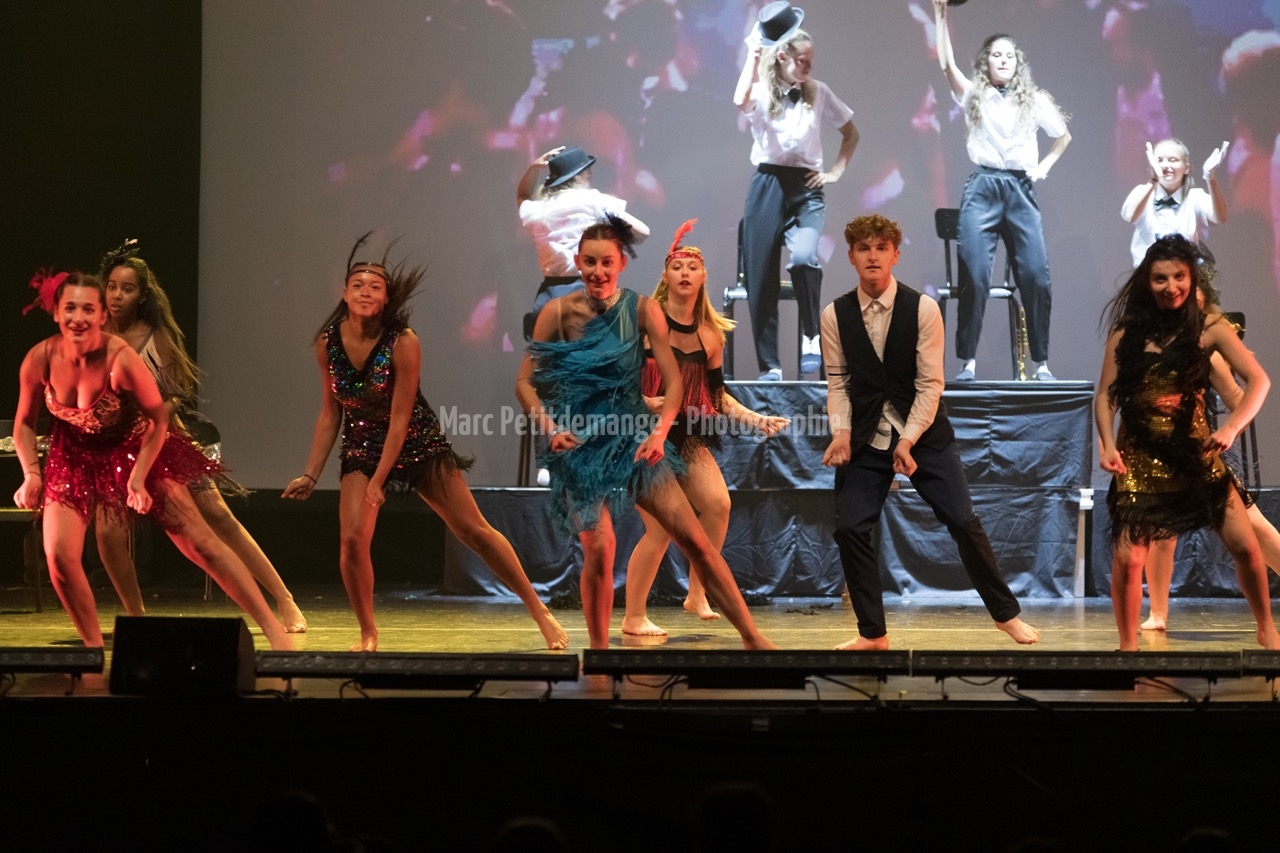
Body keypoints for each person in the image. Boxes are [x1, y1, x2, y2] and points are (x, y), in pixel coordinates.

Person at [282, 235, 566, 653]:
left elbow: (400, 419)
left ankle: (538, 610)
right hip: (361, 445)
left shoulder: (403, 341)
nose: (365, 292)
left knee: (474, 532)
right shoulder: (328, 343)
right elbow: (330, 414)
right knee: (352, 540)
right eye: (357, 285)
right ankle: (368, 632)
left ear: (387, 298)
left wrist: (380, 480)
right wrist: (311, 473)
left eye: (374, 287)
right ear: (344, 294)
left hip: (417, 442)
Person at [516, 219, 775, 650]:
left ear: (621, 263)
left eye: (607, 262)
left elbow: (674, 384)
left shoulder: (641, 310)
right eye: (590, 262)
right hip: (580, 446)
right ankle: (600, 652)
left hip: (635, 441)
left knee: (695, 539)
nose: (598, 271)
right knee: (600, 548)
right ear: (577, 262)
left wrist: (658, 434)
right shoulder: (557, 313)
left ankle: (752, 637)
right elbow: (525, 383)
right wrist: (552, 428)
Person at [11, 271, 291, 650]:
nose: (78, 318)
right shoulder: (39, 359)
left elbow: (159, 419)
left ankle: (274, 630)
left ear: (101, 315)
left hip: (135, 447)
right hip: (73, 456)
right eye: (70, 309)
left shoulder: (120, 359)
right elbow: (24, 424)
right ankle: (92, 652)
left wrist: (138, 478)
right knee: (59, 556)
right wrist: (31, 474)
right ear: (57, 313)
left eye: (88, 310)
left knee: (201, 545)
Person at [820, 214, 1040, 650]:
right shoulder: (835, 314)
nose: (872, 256)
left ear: (895, 255)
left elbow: (930, 384)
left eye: (881, 248)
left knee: (961, 519)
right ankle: (872, 634)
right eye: (863, 248)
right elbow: (838, 382)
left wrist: (908, 441)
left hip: (923, 434)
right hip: (866, 435)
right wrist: (841, 433)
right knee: (850, 528)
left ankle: (1005, 615)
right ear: (850, 257)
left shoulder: (922, 308)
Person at [93, 239, 308, 631]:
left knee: (218, 517)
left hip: (162, 441)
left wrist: (151, 418)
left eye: (127, 288)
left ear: (142, 296)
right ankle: (136, 616)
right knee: (109, 533)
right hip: (113, 449)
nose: (117, 295)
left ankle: (283, 598)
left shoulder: (155, 337)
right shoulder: (92, 334)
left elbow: (175, 397)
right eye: (112, 287)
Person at [1095, 234, 1279, 651]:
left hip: (1194, 455)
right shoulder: (1126, 334)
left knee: (1247, 546)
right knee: (1128, 559)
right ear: (1147, 282)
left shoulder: (1209, 329)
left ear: (1191, 278)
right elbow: (1105, 395)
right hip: (1138, 460)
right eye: (1161, 278)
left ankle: (1267, 629)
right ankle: (1128, 650)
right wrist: (1106, 444)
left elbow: (1259, 381)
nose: (1171, 286)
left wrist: (1231, 428)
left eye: (1179, 277)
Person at [620, 220, 790, 637]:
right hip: (645, 436)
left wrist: (756, 419)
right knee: (659, 528)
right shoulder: (646, 324)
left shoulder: (710, 337)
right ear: (665, 276)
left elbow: (717, 397)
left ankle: (697, 592)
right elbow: (616, 381)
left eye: (692, 267)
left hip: (688, 436)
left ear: (703, 277)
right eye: (677, 266)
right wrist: (645, 402)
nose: (684, 273)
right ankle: (633, 616)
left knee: (717, 505)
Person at [933, 0, 1071, 382]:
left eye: (1010, 55)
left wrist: (1044, 166)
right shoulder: (975, 95)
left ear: (1017, 62)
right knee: (975, 275)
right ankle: (968, 362)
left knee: (1036, 277)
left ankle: (1041, 364)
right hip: (983, 188)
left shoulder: (1035, 100)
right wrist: (941, 16)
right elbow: (947, 66)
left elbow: (1062, 136)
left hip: (1020, 190)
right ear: (986, 63)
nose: (1004, 59)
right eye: (996, 54)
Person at [733, 1, 859, 381]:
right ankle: (770, 366)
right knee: (761, 277)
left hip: (805, 187)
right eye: (802, 61)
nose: (808, 68)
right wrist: (753, 57)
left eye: (810, 61)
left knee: (804, 257)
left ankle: (810, 334)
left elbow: (851, 132)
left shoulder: (818, 91)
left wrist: (834, 172)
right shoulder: (762, 90)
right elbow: (740, 100)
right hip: (767, 184)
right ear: (782, 57)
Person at [517, 145, 650, 319]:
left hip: (549, 296)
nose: (589, 176)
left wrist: (533, 169)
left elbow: (523, 196)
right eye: (587, 172)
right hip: (586, 294)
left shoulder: (538, 210)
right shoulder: (593, 200)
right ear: (580, 175)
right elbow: (642, 232)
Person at [1121, 138, 1228, 268]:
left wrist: (1210, 176)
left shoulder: (1195, 197)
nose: (1166, 165)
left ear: (1186, 168)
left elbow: (1219, 218)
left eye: (1173, 160)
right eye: (1159, 160)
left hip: (1184, 274)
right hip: (1147, 274)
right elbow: (1131, 216)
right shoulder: (1142, 192)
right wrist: (1154, 180)